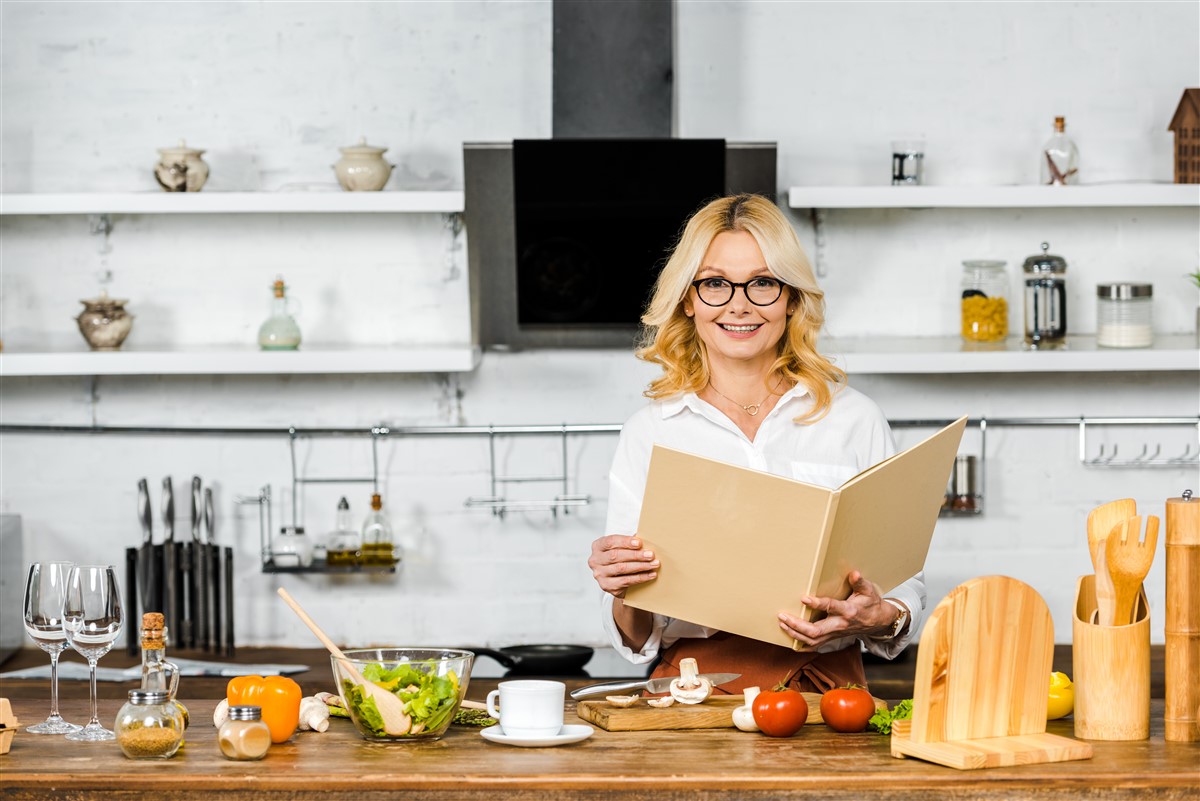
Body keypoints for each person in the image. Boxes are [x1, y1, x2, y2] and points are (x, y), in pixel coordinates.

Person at [588, 194, 924, 694]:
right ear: (688, 298)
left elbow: (903, 594)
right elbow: (637, 636)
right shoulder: (652, 431)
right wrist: (623, 586)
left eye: (763, 282)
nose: (739, 304)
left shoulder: (855, 419)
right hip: (696, 698)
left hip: (830, 695)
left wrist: (880, 615)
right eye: (715, 284)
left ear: (790, 298)